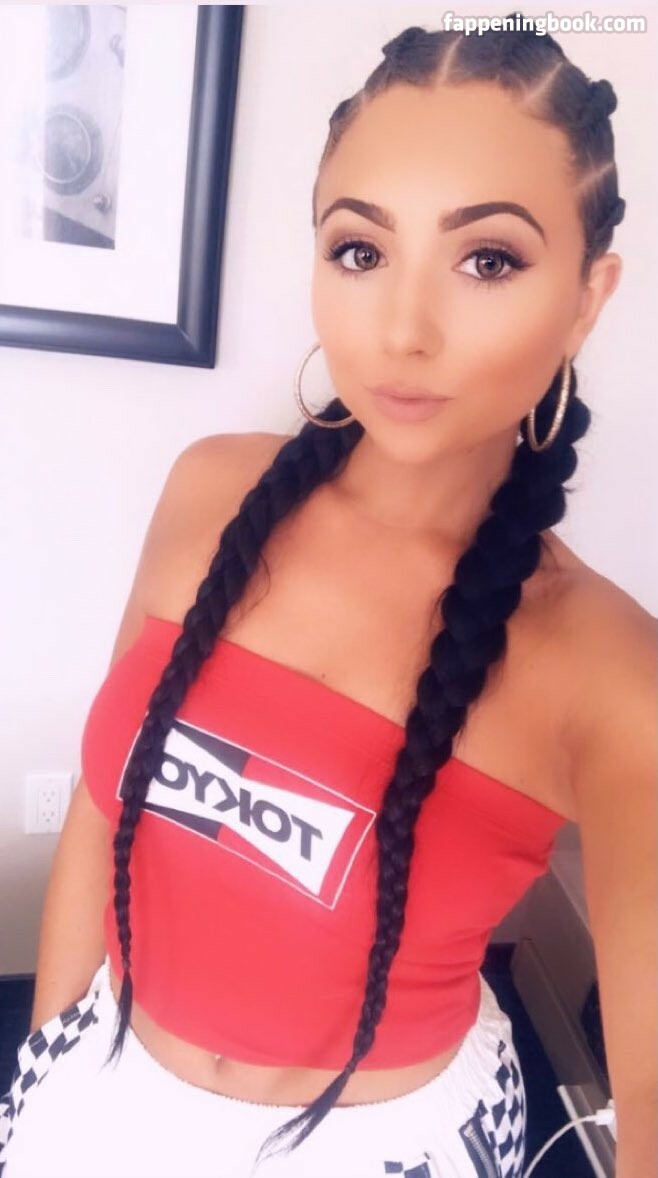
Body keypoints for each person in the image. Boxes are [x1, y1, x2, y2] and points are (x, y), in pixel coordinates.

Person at [1, 13, 655, 1178]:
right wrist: (53, 1056)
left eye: (487, 260)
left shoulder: (605, 666)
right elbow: (108, 801)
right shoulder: (210, 489)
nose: (402, 330)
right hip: (106, 1082)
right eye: (359, 250)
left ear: (586, 296)